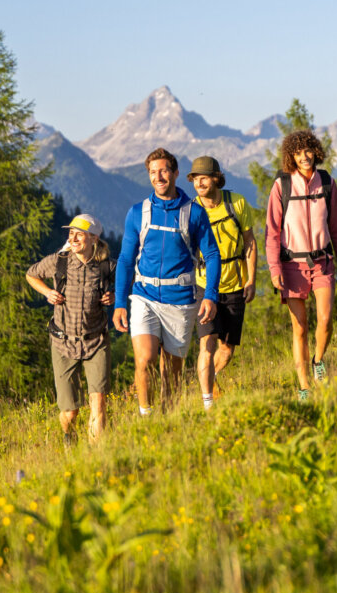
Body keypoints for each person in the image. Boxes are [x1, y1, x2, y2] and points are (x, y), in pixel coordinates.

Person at [113, 148, 220, 415]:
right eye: (152, 172)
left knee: (171, 371)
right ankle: (146, 419)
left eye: (163, 171)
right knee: (145, 359)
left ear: (175, 173)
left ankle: (167, 420)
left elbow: (212, 254)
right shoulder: (138, 212)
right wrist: (119, 302)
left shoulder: (193, 213)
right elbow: (126, 259)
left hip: (181, 300)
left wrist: (210, 295)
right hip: (144, 296)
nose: (158, 177)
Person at [265, 130, 337, 401]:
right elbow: (272, 232)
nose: (304, 156)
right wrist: (274, 269)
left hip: (323, 262)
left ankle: (318, 360)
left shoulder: (327, 183)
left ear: (316, 152)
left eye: (308, 151)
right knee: (300, 327)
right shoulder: (282, 185)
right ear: (291, 155)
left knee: (325, 320)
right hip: (291, 265)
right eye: (298, 152)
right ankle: (303, 387)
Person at [25, 214, 115, 444]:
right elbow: (31, 274)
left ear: (94, 238)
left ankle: (96, 456)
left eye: (80, 234)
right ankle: (69, 438)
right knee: (70, 411)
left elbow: (127, 282)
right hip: (63, 342)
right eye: (71, 233)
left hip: (96, 341)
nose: (73, 238)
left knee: (99, 401)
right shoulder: (59, 261)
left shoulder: (106, 266)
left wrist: (114, 295)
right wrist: (47, 292)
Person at [186, 156, 256, 403]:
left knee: (226, 351)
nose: (199, 183)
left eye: (204, 177)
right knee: (207, 344)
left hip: (235, 283)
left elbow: (249, 242)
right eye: (195, 178)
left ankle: (208, 379)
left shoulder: (236, 203)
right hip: (203, 286)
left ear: (216, 178)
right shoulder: (191, 209)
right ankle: (207, 401)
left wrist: (251, 280)